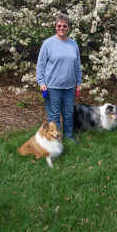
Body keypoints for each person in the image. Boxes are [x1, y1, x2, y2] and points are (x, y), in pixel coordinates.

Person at [36, 13, 82, 141]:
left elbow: (77, 65)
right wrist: (41, 82)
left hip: (70, 87)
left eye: (65, 26)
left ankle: (69, 137)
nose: (62, 28)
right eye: (59, 26)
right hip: (52, 87)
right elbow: (40, 65)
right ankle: (56, 140)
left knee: (68, 114)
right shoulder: (48, 44)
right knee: (54, 116)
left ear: (69, 28)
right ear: (55, 27)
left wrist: (79, 83)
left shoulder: (73, 44)